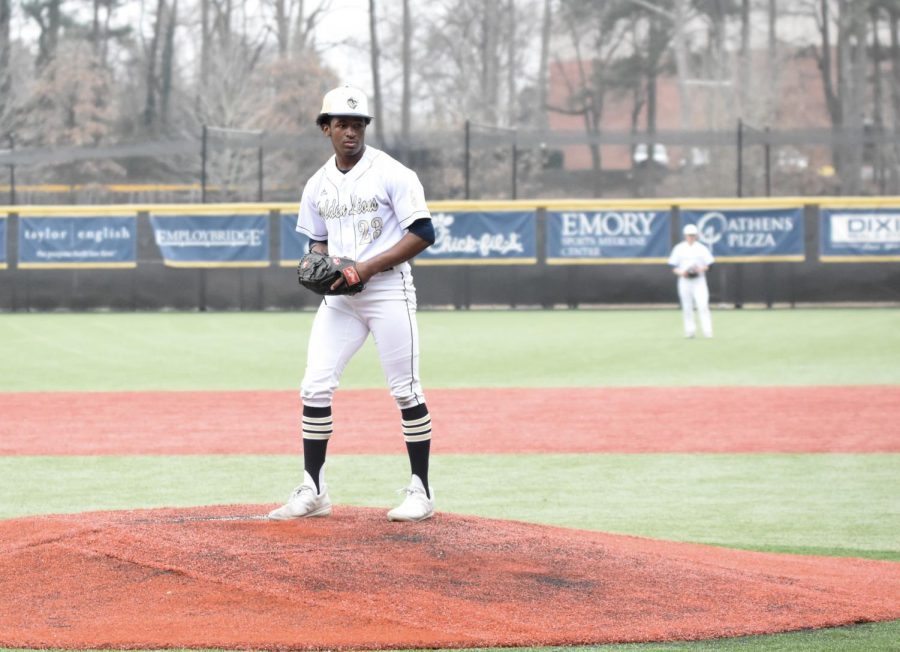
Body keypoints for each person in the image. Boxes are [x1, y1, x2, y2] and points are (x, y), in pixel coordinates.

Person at [268, 84, 437, 522]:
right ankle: (314, 490)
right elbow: (317, 245)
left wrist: (365, 268)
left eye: (358, 124)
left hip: (387, 290)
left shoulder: (393, 173)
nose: (351, 132)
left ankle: (421, 491)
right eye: (342, 123)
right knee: (315, 386)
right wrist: (317, 267)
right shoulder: (317, 185)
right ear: (326, 128)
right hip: (341, 299)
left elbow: (422, 233)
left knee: (406, 389)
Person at [668, 223, 714, 338]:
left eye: (693, 235)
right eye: (689, 235)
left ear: (696, 235)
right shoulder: (679, 248)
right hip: (684, 280)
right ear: (685, 235)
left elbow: (710, 265)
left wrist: (700, 269)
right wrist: (682, 272)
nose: (691, 237)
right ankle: (690, 331)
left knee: (703, 305)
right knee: (687, 307)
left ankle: (707, 332)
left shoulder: (701, 248)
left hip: (699, 280)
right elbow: (672, 266)